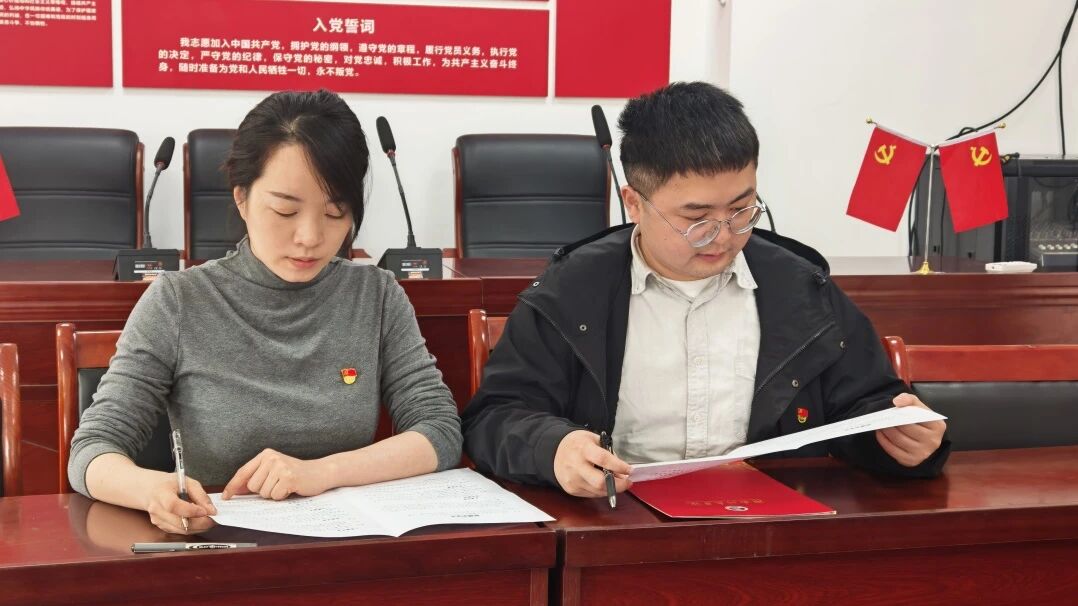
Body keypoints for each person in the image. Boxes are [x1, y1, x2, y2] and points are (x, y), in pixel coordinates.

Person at [462, 82, 949, 498]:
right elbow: (495, 418)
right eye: (696, 219)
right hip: (617, 520)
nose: (724, 236)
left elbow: (864, 405)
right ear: (634, 202)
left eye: (742, 210)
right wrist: (554, 449)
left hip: (771, 523)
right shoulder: (572, 291)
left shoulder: (799, 287)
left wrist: (900, 438)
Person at [69, 89, 462, 533]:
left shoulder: (376, 295)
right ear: (242, 198)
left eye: (335, 212)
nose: (310, 237)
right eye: (285, 210)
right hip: (222, 545)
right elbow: (93, 448)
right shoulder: (179, 301)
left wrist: (323, 472)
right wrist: (149, 490)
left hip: (346, 544)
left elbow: (439, 430)